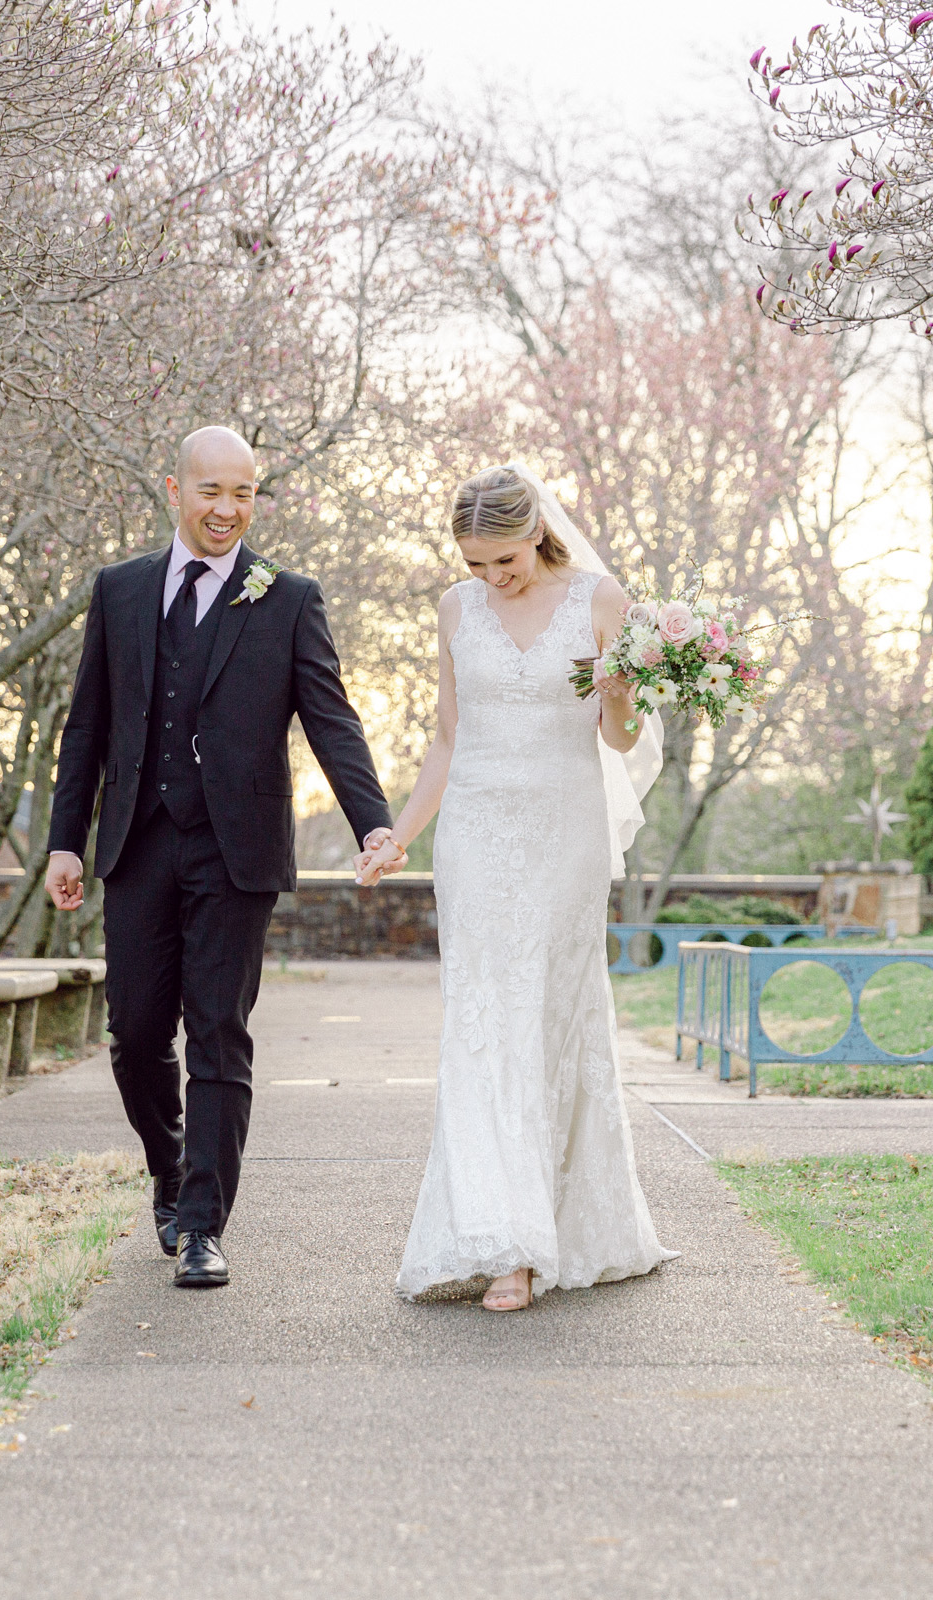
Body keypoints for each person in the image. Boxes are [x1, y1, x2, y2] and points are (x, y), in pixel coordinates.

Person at [45, 426, 395, 1289]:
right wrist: (64, 837)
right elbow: (87, 724)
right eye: (213, 492)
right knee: (133, 1036)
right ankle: (169, 1171)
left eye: (245, 493)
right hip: (136, 843)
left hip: (237, 851)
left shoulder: (288, 597)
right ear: (176, 489)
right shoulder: (120, 591)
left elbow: (332, 719)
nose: (229, 510)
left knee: (218, 1034)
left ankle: (202, 1225)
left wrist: (372, 823)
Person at [355, 465, 679, 1312]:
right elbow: (445, 739)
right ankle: (501, 1237)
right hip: (475, 839)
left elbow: (619, 737)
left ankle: (549, 1236)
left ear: (536, 530)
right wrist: (400, 833)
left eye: (503, 560)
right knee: (483, 1023)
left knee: (549, 1019)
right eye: (475, 565)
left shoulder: (601, 599)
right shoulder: (457, 612)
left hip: (565, 834)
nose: (493, 578)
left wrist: (620, 693)